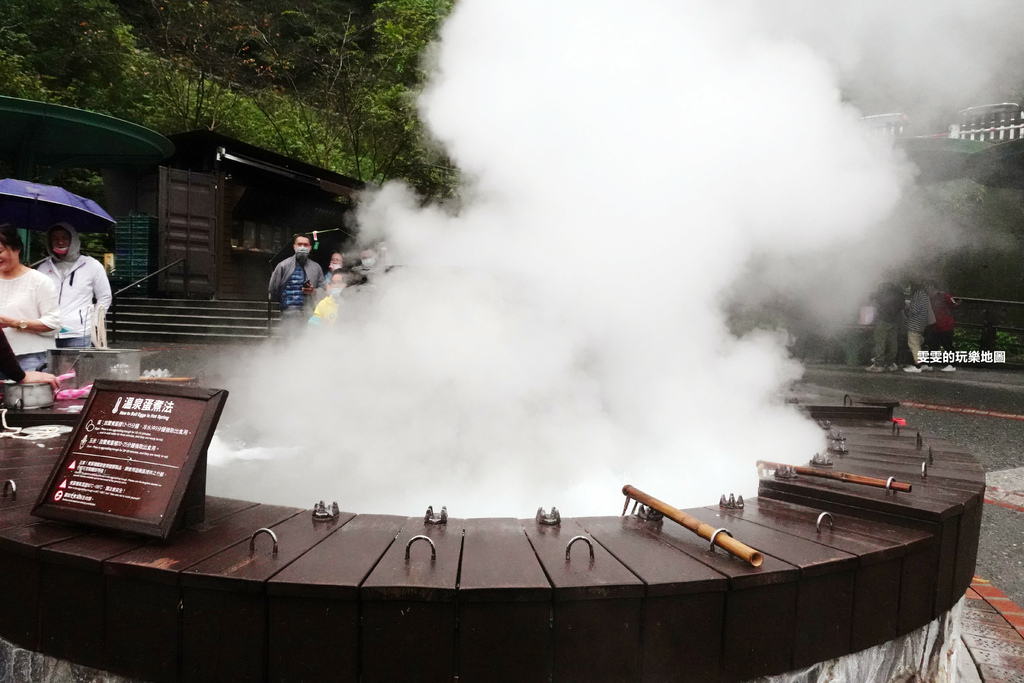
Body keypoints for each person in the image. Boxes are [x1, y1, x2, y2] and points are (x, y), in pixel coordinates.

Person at [36, 222, 112, 348]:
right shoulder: (43, 267)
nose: (60, 242)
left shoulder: (91, 265)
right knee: (47, 368)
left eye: (65, 238)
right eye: (55, 239)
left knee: (77, 368)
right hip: (48, 332)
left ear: (73, 240)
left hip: (79, 333)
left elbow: (105, 297)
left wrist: (95, 323)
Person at [0, 226, 61, 375]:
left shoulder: (40, 281)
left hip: (31, 359)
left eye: (0, 251)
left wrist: (12, 323)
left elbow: (53, 324)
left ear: (17, 248)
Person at [268, 234, 325, 325]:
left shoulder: (316, 268)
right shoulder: (283, 266)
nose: (302, 247)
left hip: (309, 314)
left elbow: (324, 291)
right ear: (294, 247)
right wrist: (283, 301)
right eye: (299, 244)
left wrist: (314, 291)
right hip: (288, 314)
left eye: (305, 245)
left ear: (310, 248)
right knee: (289, 338)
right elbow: (273, 289)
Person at [867, 282, 904, 372]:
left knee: (880, 342)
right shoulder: (898, 288)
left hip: (883, 318)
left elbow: (874, 298)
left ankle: (879, 364)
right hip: (894, 319)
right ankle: (890, 363)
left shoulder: (883, 287)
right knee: (892, 342)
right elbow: (902, 305)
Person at [903, 281, 935, 373]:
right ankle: (923, 363)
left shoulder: (917, 294)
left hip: (914, 323)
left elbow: (914, 309)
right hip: (922, 323)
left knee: (914, 344)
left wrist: (908, 308)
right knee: (919, 343)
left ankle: (917, 366)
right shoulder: (924, 295)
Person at [926, 284, 959, 372]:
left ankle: (952, 365)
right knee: (932, 345)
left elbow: (954, 305)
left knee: (947, 345)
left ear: (933, 287)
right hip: (935, 325)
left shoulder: (944, 296)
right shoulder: (929, 298)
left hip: (945, 325)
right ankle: (929, 364)